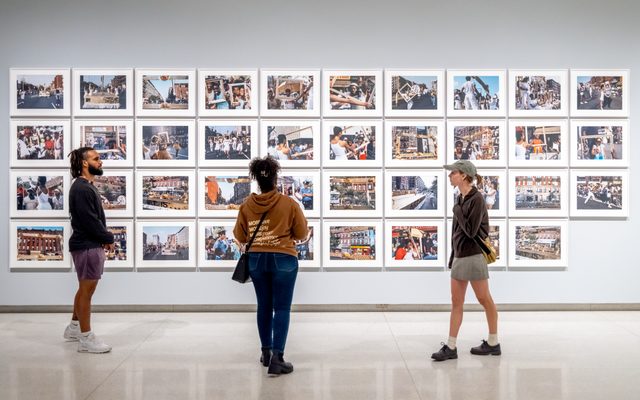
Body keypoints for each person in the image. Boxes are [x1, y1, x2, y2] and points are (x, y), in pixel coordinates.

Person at [233, 156, 308, 376]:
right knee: (282, 308)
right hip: (284, 258)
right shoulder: (289, 204)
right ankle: (278, 358)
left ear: (257, 180)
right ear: (275, 179)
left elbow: (240, 236)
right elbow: (301, 233)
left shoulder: (246, 205)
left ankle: (265, 353)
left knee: (263, 306)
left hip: (256, 260)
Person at [431, 160, 500, 361]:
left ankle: (493, 342)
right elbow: (457, 234)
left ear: (463, 175)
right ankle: (451, 346)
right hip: (461, 256)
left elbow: (470, 231)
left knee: (484, 299)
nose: (449, 176)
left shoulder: (476, 199)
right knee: (456, 302)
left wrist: (457, 210)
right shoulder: (460, 198)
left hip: (474, 255)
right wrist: (453, 257)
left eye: (453, 172)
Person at [63, 147, 115, 354]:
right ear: (85, 163)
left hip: (87, 244)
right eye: (96, 158)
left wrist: (103, 237)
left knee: (84, 289)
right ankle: (86, 338)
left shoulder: (83, 186)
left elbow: (92, 219)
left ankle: (74, 328)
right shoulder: (83, 189)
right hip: (87, 245)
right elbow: (90, 220)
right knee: (87, 291)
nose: (100, 162)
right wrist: (107, 237)